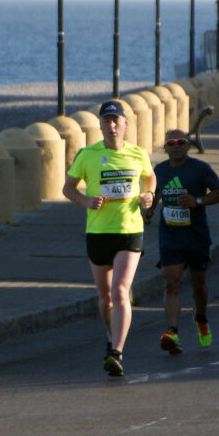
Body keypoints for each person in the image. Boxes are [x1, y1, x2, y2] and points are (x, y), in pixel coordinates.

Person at [63, 100, 155, 376]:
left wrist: (148, 196)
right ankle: (109, 331)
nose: (112, 126)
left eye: (117, 121)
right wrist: (86, 201)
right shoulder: (87, 155)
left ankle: (117, 352)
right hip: (98, 232)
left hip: (129, 230)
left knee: (121, 291)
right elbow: (68, 188)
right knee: (105, 299)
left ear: (126, 125)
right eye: (107, 121)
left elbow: (150, 179)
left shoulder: (138, 154)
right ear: (101, 125)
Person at [143, 129, 219, 355]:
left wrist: (197, 200)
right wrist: (148, 212)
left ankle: (201, 317)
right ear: (165, 148)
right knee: (172, 281)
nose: (177, 146)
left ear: (187, 146)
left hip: (196, 236)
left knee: (198, 284)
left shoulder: (200, 169)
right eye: (172, 143)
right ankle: (173, 332)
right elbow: (155, 195)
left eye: (181, 142)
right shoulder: (159, 171)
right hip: (170, 236)